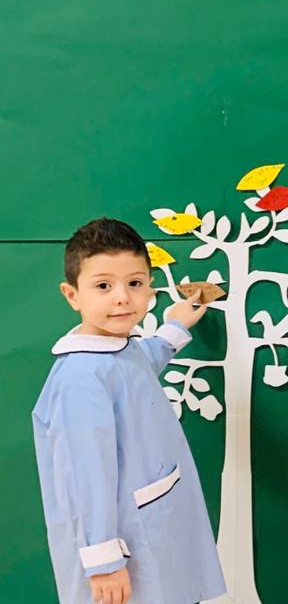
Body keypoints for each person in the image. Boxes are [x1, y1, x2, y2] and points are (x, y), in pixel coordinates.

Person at [32, 217, 224, 604]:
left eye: (135, 283)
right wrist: (103, 560)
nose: (122, 298)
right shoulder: (81, 380)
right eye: (103, 286)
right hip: (119, 546)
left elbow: (140, 365)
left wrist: (174, 329)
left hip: (149, 524)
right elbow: (85, 475)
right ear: (72, 295)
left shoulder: (118, 348)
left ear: (150, 287)